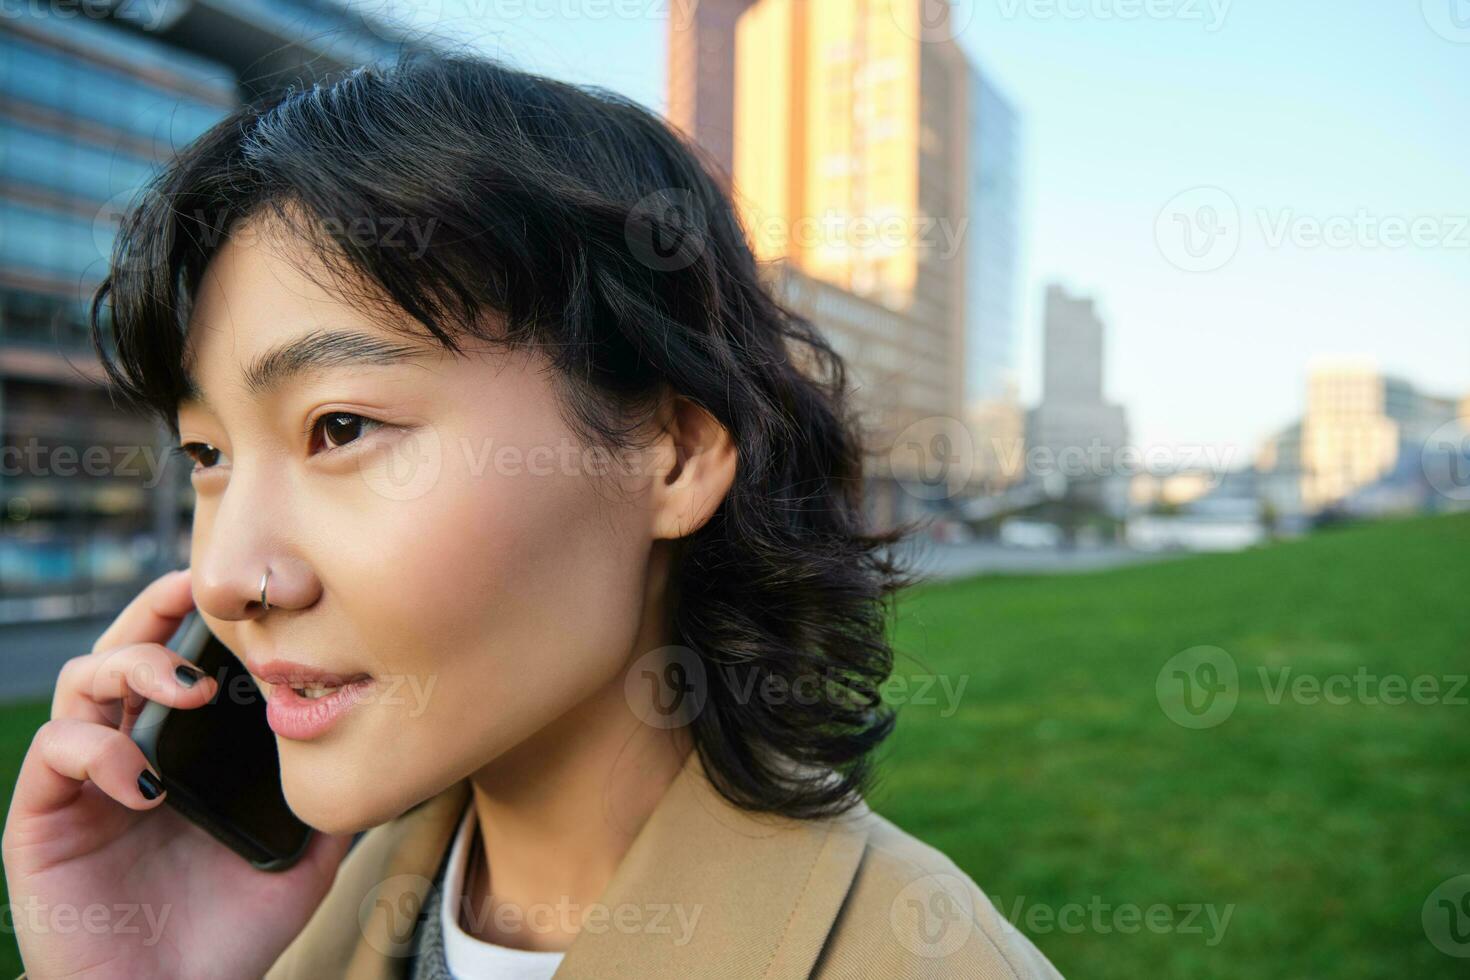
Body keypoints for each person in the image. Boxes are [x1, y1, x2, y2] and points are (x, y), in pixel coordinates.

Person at [1, 53, 1063, 979]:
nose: (228, 573)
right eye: (208, 454)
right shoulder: (296, 929)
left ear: (676, 454)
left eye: (339, 427)